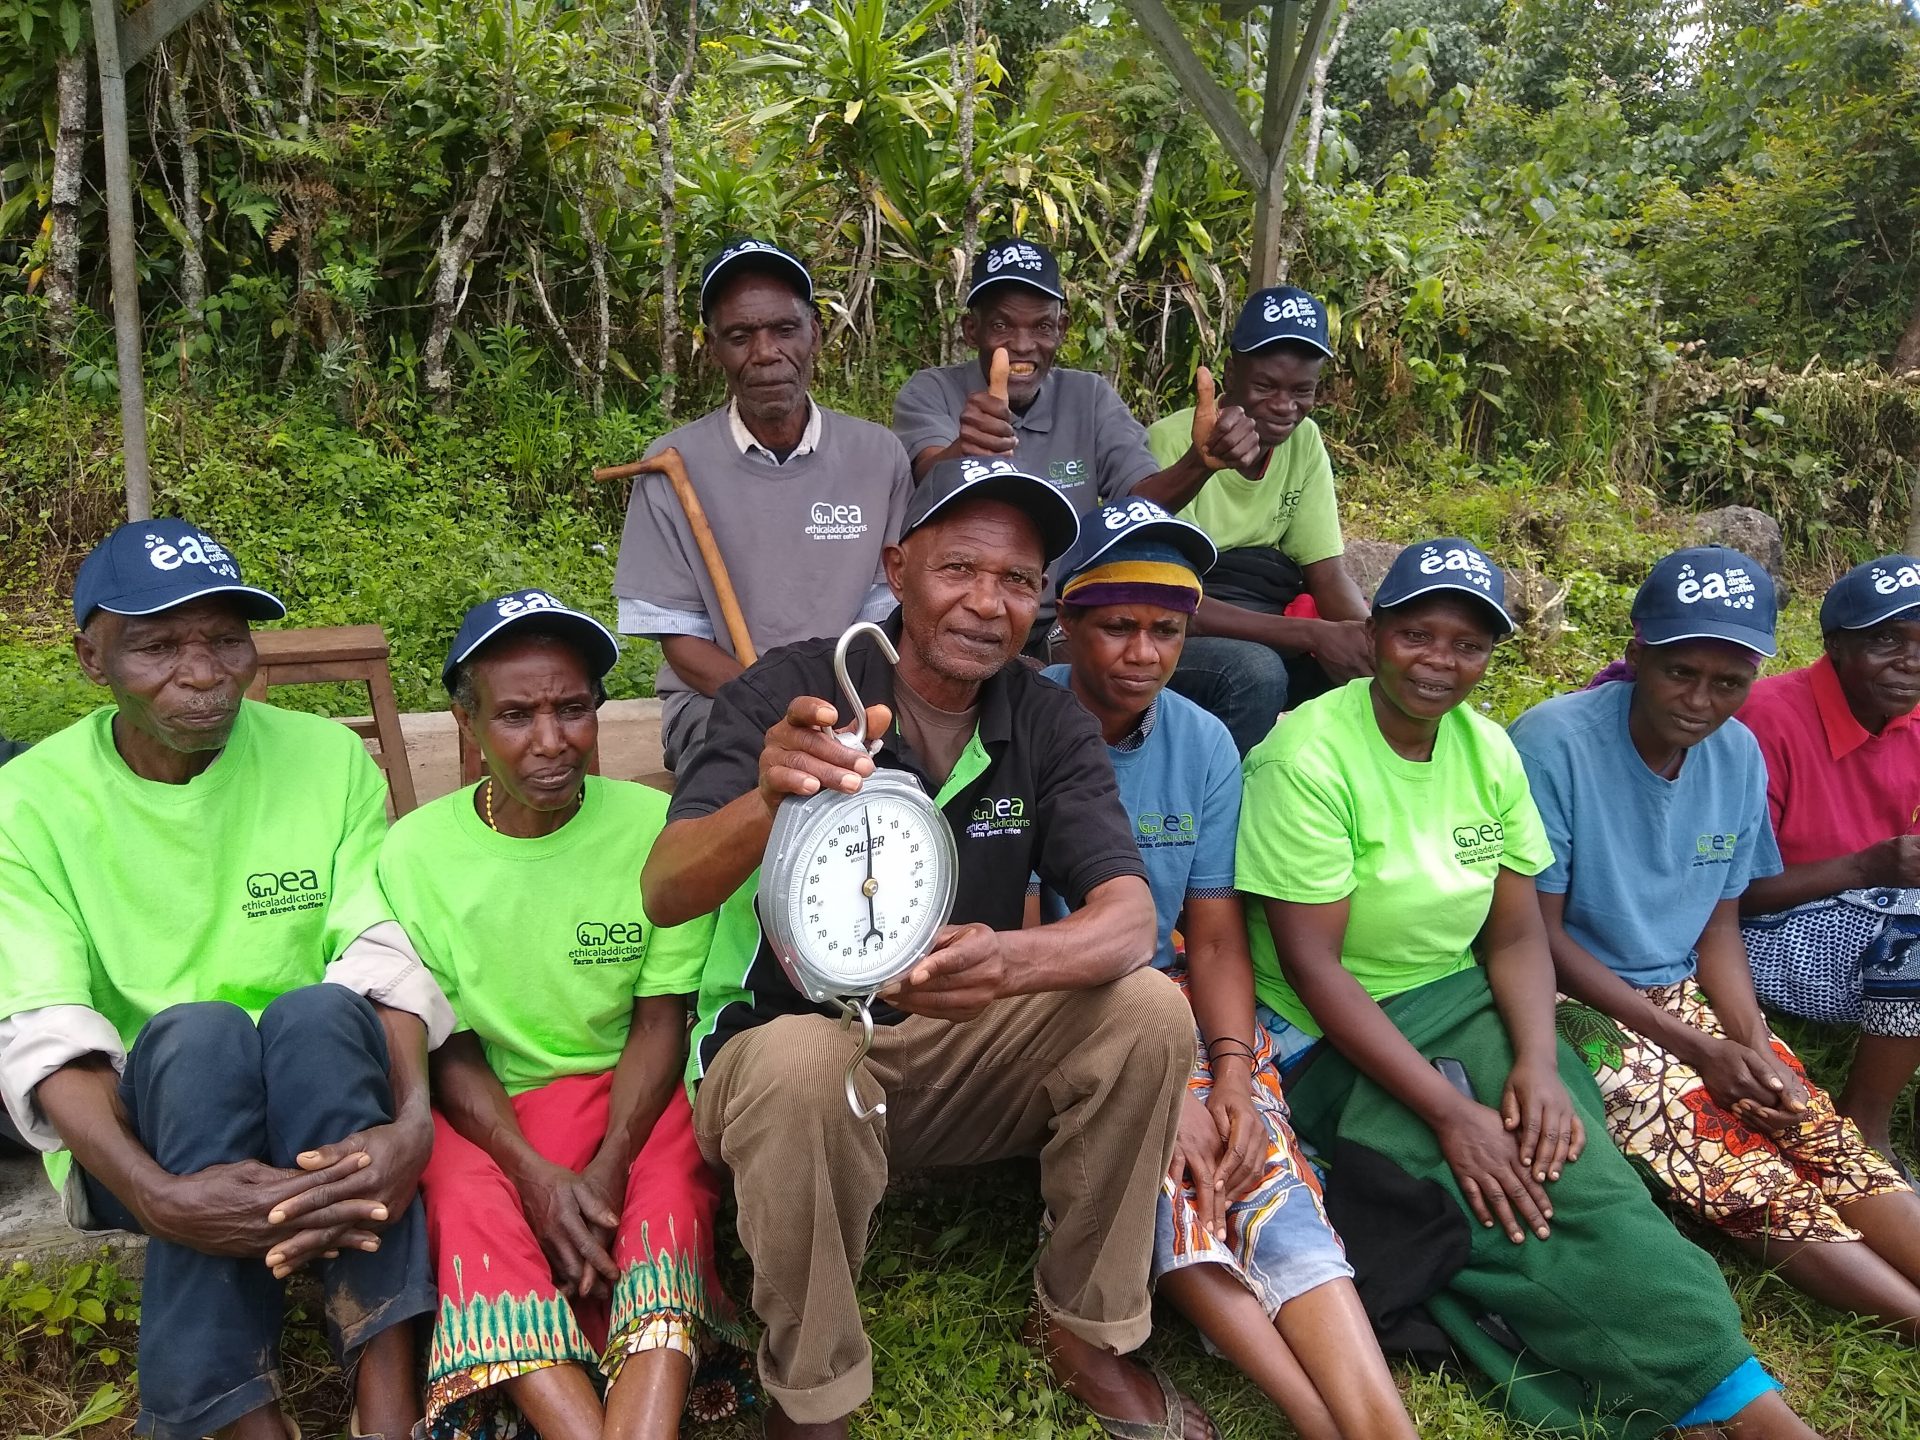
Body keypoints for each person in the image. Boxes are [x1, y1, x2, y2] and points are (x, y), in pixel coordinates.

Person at [641, 458, 1211, 1440]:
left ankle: (1083, 1329)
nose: (987, 604)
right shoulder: (791, 694)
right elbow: (665, 890)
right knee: (792, 1064)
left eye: (1019, 582)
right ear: (897, 568)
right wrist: (767, 796)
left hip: (958, 1045)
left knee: (1153, 1011)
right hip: (795, 1054)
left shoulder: (1045, 716)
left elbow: (1129, 918)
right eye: (959, 570)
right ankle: (811, 1393)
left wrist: (1009, 963)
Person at [1239, 537, 1816, 1439]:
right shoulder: (1306, 757)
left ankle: (1720, 1380)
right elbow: (1316, 971)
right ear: (1374, 632)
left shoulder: (1487, 750)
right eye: (1417, 635)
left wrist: (1540, 1064)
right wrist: (1448, 1112)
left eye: (1468, 646)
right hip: (1331, 1036)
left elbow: (1513, 934)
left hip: (1462, 999)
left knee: (1576, 1168)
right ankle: (1737, 1400)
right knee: (1504, 1197)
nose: (1441, 662)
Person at [0, 520, 454, 1440]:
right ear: (92, 658)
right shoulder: (32, 803)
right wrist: (159, 1197)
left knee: (321, 1009)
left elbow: (382, 952)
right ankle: (242, 1419)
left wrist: (412, 1122)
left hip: (321, 1100)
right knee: (200, 1035)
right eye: (159, 646)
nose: (202, 673)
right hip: (157, 1129)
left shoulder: (324, 759)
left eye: (224, 641)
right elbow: (47, 1029)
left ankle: (387, 1401)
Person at [1037, 499, 1417, 1440]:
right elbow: (1021, 943)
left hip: (1172, 999)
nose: (1143, 653)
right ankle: (1315, 1420)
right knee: (1174, 1164)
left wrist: (1237, 1073)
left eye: (1166, 630)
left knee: (1260, 1157)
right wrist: (1165, 1093)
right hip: (1054, 1006)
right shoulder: (1025, 725)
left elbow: (1212, 937)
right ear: (1069, 624)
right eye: (1117, 626)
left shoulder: (1203, 743)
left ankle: (1380, 1426)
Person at [1511, 546, 1920, 1343]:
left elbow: (1719, 923)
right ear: (1637, 657)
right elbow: (1539, 936)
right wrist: (1695, 1049)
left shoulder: (1735, 753)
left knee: (1814, 1127)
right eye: (1679, 673)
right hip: (1569, 997)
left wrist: (1750, 1040)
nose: (1700, 701)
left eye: (1728, 683)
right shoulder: (1553, 742)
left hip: (1682, 992)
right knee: (1739, 1164)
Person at [377, 591, 749, 1440]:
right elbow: (450, 1044)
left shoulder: (658, 827)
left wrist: (612, 1161)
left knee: (668, 1191)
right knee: (465, 1197)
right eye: (516, 714)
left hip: (634, 1097)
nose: (552, 740)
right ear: (465, 721)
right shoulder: (415, 853)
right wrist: (532, 1173)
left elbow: (662, 1018)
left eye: (572, 708)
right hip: (491, 1112)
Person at [614, 237, 914, 769]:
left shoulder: (878, 456)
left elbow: (883, 620)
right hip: (719, 704)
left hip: (852, 698)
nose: (765, 353)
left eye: (784, 330)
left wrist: (832, 714)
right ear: (714, 350)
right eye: (740, 336)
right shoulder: (672, 462)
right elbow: (682, 644)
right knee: (749, 782)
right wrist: (774, 706)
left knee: (908, 789)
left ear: (814, 335)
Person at [891, 238, 1260, 652]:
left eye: (1042, 327)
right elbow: (928, 471)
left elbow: (1138, 500)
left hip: (1066, 622)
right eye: (1001, 326)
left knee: (1247, 669)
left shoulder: (1090, 396)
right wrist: (964, 450)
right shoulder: (931, 392)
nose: (1023, 345)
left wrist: (1200, 462)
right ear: (971, 329)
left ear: (1062, 329)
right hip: (970, 616)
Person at [1740, 554, 1920, 1164]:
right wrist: (1869, 868)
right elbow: (1721, 893)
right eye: (1887, 639)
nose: (1911, 661)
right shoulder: (1765, 718)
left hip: (1866, 905)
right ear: (1836, 645)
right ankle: (1865, 1128)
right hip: (1752, 928)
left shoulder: (1912, 717)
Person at [1143, 286, 1371, 755]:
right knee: (1256, 671)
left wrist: (1373, 642)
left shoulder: (1304, 442)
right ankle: (1223, 802)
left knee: (1357, 671)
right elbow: (1173, 599)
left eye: (1301, 390)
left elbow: (1325, 573)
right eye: (1266, 386)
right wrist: (1313, 633)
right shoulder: (1169, 443)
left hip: (1260, 618)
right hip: (1173, 628)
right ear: (1231, 372)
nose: (1284, 406)